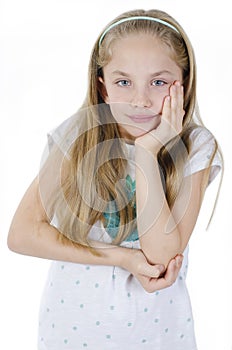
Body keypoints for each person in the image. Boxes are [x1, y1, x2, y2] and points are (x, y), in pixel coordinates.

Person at [8, 8, 222, 350]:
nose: (140, 99)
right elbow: (22, 235)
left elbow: (162, 257)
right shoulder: (78, 138)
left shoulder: (194, 147)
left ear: (184, 84)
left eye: (159, 82)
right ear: (103, 87)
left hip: (160, 336)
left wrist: (148, 152)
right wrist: (121, 257)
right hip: (71, 334)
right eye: (124, 82)